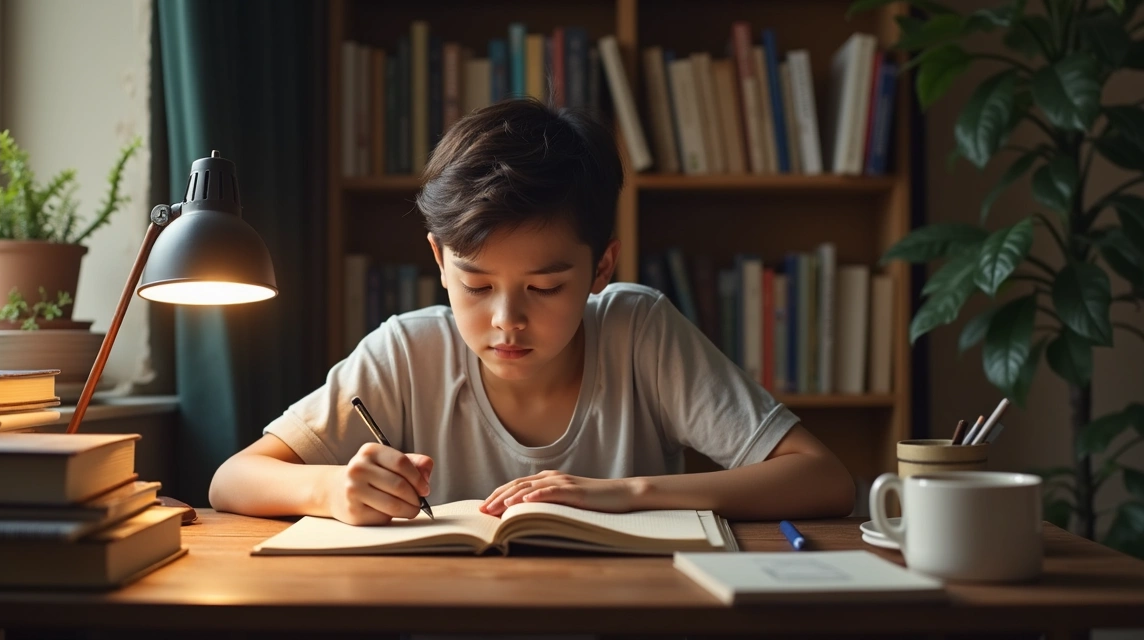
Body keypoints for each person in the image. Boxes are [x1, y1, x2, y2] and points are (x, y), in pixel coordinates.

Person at [208, 98, 855, 524]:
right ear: (439, 258)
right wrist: (332, 490)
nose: (505, 321)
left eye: (544, 288)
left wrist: (628, 494)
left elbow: (824, 479)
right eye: (476, 284)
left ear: (602, 267)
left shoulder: (639, 331)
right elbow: (233, 480)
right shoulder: (408, 351)